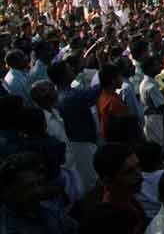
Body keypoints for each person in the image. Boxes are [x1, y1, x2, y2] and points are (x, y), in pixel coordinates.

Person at [47, 61, 102, 193]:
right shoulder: (69, 97)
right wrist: (105, 76)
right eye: (69, 69)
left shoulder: (66, 93)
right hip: (81, 145)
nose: (72, 69)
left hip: (82, 143)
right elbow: (92, 93)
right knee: (93, 183)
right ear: (63, 75)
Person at [0, 152, 78, 234]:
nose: (38, 191)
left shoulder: (49, 210)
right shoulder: (6, 228)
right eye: (28, 187)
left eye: (39, 184)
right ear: (9, 191)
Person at [93, 142, 146, 233]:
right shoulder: (106, 222)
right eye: (129, 172)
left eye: (138, 166)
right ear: (108, 180)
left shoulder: (126, 197)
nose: (139, 175)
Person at [140, 56, 164, 147]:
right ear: (149, 68)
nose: (159, 66)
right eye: (155, 65)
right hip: (156, 121)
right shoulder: (151, 86)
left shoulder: (146, 83)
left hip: (151, 120)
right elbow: (162, 107)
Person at [97, 63, 127, 140]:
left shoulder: (102, 96)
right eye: (120, 76)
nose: (122, 79)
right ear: (113, 81)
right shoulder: (113, 102)